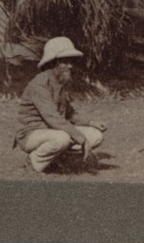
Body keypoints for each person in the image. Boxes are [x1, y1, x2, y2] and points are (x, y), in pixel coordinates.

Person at [14, 37, 107, 173]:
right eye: (65, 61)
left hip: (53, 130)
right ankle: (33, 163)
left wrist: (91, 122)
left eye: (71, 61)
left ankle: (57, 160)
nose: (70, 66)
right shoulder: (40, 84)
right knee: (62, 138)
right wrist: (80, 138)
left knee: (96, 135)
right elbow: (52, 118)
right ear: (54, 63)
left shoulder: (60, 83)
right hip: (32, 133)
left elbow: (69, 114)